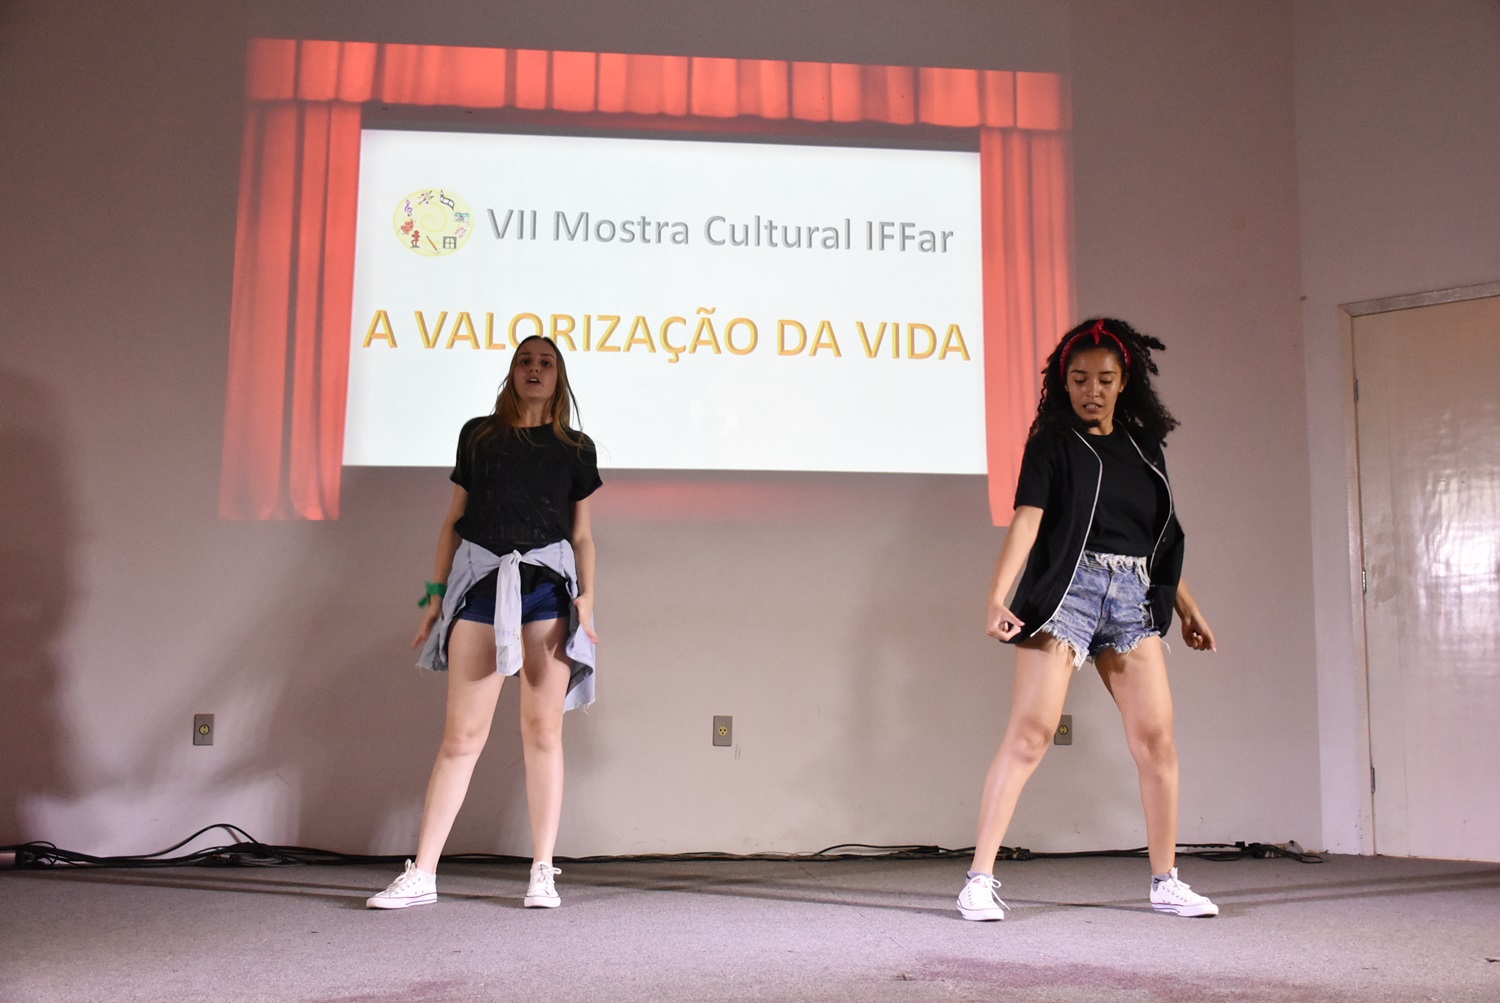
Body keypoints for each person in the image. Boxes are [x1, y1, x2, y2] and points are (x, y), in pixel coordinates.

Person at [957, 317, 1219, 922]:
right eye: (1078, 379)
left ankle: (1166, 881)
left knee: (1156, 741)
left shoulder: (1143, 448)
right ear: (1064, 382)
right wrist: (997, 597)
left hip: (1132, 596)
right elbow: (1027, 522)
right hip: (1066, 594)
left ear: (1124, 381)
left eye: (1103, 379)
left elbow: (1157, 540)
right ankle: (978, 880)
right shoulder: (1052, 443)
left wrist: (1189, 608)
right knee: (1030, 735)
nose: (1090, 391)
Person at [366, 335, 602, 911]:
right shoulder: (479, 435)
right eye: (525, 361)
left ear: (559, 377)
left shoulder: (575, 447)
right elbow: (454, 521)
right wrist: (435, 596)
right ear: (512, 371)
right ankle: (423, 873)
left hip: (546, 591)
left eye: (546, 362)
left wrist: (587, 598)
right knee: (461, 737)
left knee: (542, 733)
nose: (534, 369)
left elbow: (582, 534)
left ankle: (542, 871)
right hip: (481, 588)